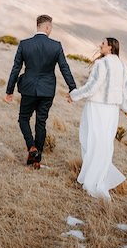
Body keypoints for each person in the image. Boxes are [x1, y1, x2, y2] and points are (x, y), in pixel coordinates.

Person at [5, 15, 77, 169]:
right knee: (41, 122)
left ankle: (31, 147)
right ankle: (37, 160)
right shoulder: (56, 46)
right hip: (47, 90)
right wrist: (73, 89)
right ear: (47, 27)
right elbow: (65, 68)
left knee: (23, 118)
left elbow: (15, 68)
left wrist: (9, 90)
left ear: (37, 26)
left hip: (29, 88)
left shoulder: (25, 44)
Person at [69, 37, 127, 200]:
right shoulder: (123, 66)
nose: (100, 45)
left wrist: (74, 95)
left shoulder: (101, 64)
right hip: (112, 111)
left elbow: (92, 87)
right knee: (104, 144)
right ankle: (98, 176)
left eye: (103, 44)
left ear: (110, 47)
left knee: (89, 140)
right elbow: (124, 92)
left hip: (97, 107)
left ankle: (91, 179)